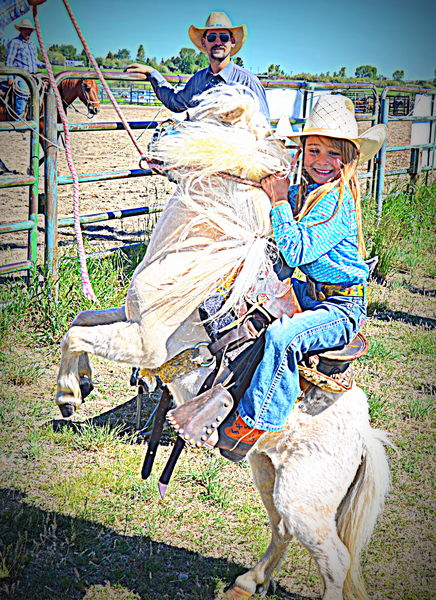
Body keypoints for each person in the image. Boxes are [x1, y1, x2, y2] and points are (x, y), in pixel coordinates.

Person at [176, 94, 387, 462]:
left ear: (349, 159)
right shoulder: (308, 189)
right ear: (301, 152)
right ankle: (212, 380)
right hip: (311, 292)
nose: (322, 162)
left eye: (334, 154)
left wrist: (277, 202)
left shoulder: (336, 203)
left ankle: (250, 423)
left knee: (282, 336)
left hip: (341, 307)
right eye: (315, 151)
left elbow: (296, 251)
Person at [124, 11, 269, 121]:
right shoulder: (198, 80)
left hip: (235, 155)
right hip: (201, 150)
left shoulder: (248, 82)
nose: (218, 42)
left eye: (223, 37)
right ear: (205, 43)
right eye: (212, 37)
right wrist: (153, 73)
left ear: (232, 42)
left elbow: (262, 124)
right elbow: (176, 102)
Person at [3, 11, 45, 119]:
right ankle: (19, 118)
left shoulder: (32, 44)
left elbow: (36, 61)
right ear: (21, 30)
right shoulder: (15, 42)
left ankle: (39, 115)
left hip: (34, 75)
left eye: (30, 30)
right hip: (21, 76)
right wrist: (10, 78)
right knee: (23, 91)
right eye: (26, 29)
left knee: (47, 88)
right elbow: (9, 61)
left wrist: (45, 65)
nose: (28, 32)